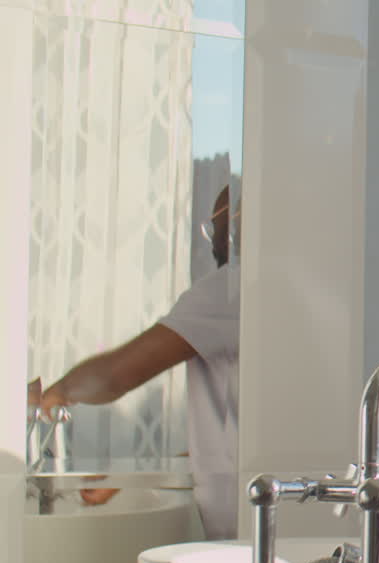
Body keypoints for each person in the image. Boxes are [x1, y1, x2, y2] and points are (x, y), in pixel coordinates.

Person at [29, 186, 241, 537]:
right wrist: (128, 478)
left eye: (217, 222)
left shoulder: (229, 290)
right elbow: (239, 444)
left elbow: (114, 376)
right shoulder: (285, 292)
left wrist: (56, 393)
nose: (214, 238)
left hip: (243, 540)